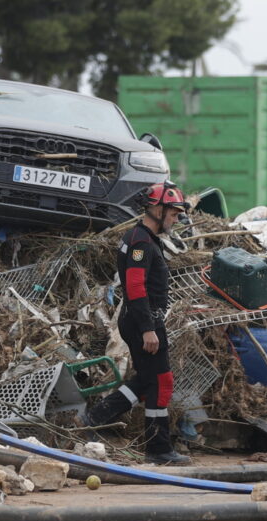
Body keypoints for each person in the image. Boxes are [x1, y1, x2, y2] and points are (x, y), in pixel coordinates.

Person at [81, 181, 192, 465]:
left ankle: (94, 417)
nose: (176, 218)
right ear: (156, 209)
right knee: (162, 382)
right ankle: (158, 448)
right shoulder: (141, 241)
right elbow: (136, 287)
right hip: (143, 320)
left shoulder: (142, 238)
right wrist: (148, 329)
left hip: (141, 318)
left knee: (146, 380)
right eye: (174, 213)